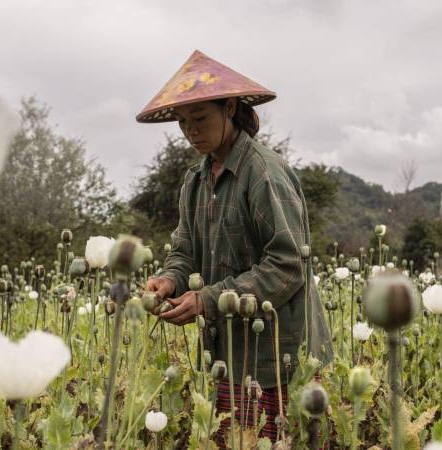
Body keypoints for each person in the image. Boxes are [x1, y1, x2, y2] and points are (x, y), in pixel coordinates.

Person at [138, 49, 332, 447]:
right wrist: (169, 281)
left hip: (276, 353)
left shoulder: (263, 173)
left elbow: (288, 264)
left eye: (201, 118)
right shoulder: (194, 181)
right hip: (223, 348)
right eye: (183, 122)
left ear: (229, 108)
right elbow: (184, 251)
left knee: (269, 440)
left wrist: (208, 299)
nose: (191, 131)